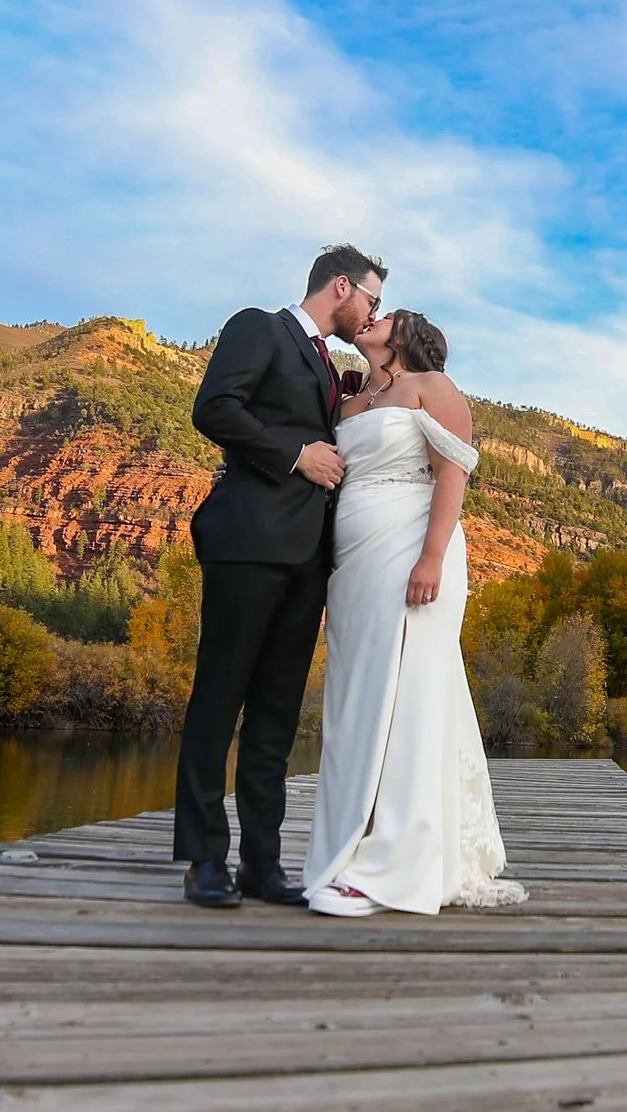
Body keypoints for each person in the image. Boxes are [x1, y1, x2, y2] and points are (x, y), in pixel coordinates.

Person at [174, 244, 384, 908]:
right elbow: (214, 407)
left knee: (276, 715)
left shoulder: (331, 366)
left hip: (307, 561)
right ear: (342, 286)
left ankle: (261, 863)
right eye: (371, 300)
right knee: (218, 701)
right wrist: (295, 454)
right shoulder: (258, 327)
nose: (373, 312)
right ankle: (205, 859)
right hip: (247, 544)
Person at [304, 308, 524, 916]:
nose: (373, 319)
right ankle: (352, 845)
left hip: (414, 552)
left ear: (405, 337)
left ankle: (396, 864)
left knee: (408, 697)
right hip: (354, 565)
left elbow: (452, 474)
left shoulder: (433, 388)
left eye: (388, 316)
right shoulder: (350, 402)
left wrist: (430, 558)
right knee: (356, 700)